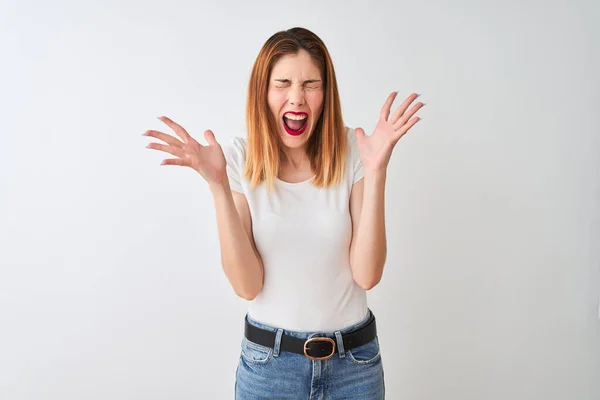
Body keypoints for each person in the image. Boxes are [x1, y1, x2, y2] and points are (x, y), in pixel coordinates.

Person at [143, 26, 424, 399]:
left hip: (353, 367)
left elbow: (368, 275)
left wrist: (376, 171)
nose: (297, 98)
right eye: (283, 84)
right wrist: (218, 187)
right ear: (263, 91)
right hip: (269, 370)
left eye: (311, 84)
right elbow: (247, 286)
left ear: (327, 93)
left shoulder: (355, 152)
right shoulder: (240, 160)